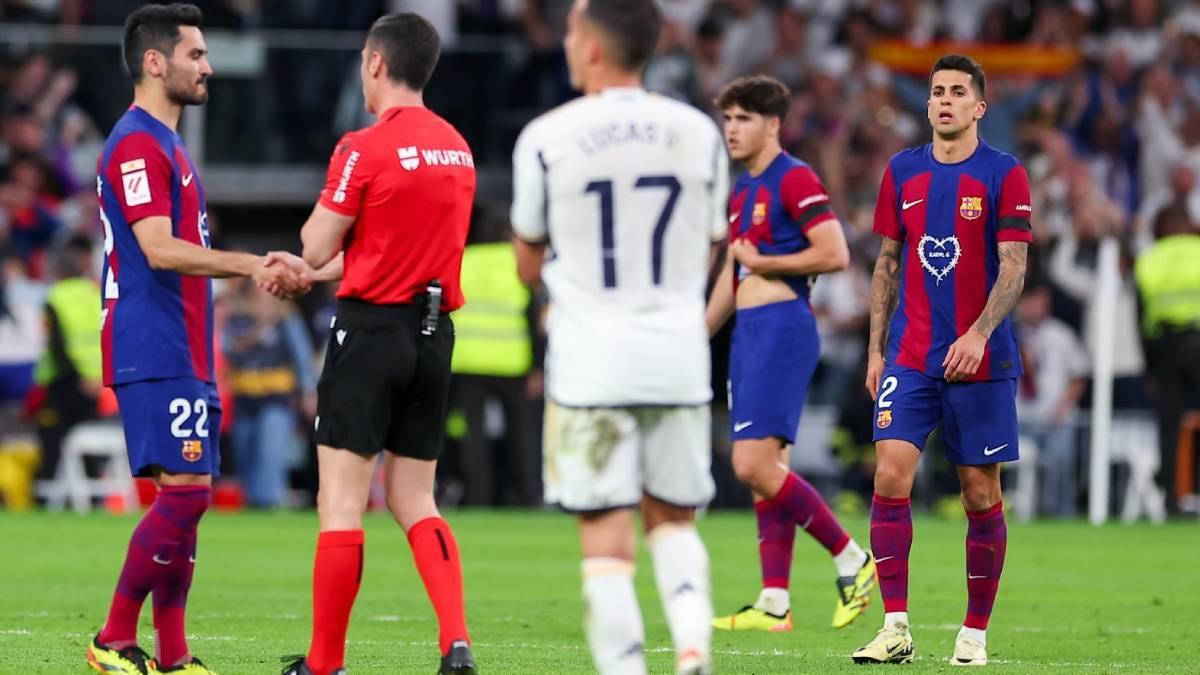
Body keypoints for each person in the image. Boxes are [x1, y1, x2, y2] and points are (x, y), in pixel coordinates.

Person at [87, 4, 308, 674]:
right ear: (155, 62)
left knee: (188, 499)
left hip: (184, 344)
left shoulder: (171, 144)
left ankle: (175, 656)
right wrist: (249, 264)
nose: (207, 66)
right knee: (187, 493)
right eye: (196, 54)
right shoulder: (135, 144)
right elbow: (157, 249)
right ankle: (113, 637)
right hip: (151, 340)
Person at [511, 1, 725, 672]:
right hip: (677, 356)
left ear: (594, 48)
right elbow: (714, 243)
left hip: (590, 361)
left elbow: (525, 264)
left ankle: (627, 666)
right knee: (674, 519)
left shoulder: (547, 136)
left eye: (573, 33)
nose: (568, 45)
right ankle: (692, 649)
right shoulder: (698, 132)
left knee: (605, 533)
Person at [273, 13, 477, 675]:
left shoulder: (363, 145)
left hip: (369, 331)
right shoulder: (457, 148)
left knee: (340, 501)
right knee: (416, 497)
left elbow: (318, 241)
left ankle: (324, 663)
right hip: (433, 331)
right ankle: (456, 643)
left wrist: (306, 262)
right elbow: (393, 249)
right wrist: (319, 272)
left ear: (376, 64)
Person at [851, 54, 1031, 667]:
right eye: (937, 92)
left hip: (980, 359)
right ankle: (894, 628)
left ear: (980, 107)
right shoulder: (902, 171)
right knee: (889, 476)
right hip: (911, 354)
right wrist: (876, 350)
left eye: (958, 92)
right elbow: (887, 264)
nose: (945, 100)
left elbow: (1013, 267)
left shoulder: (1004, 174)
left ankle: (974, 634)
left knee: (978, 494)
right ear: (926, 105)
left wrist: (979, 333)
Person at [706, 74, 876, 634]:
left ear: (773, 124)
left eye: (744, 118)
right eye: (728, 118)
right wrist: (699, 331)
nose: (732, 128)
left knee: (749, 464)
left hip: (781, 326)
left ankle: (853, 559)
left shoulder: (793, 177)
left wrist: (767, 262)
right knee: (767, 470)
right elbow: (737, 270)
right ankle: (774, 601)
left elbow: (834, 252)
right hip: (750, 329)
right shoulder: (741, 188)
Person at [1134, 202, 1200, 513]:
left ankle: (1171, 500)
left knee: (1169, 428)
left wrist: (1150, 368)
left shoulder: (1150, 260)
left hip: (1167, 347)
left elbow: (1142, 318)